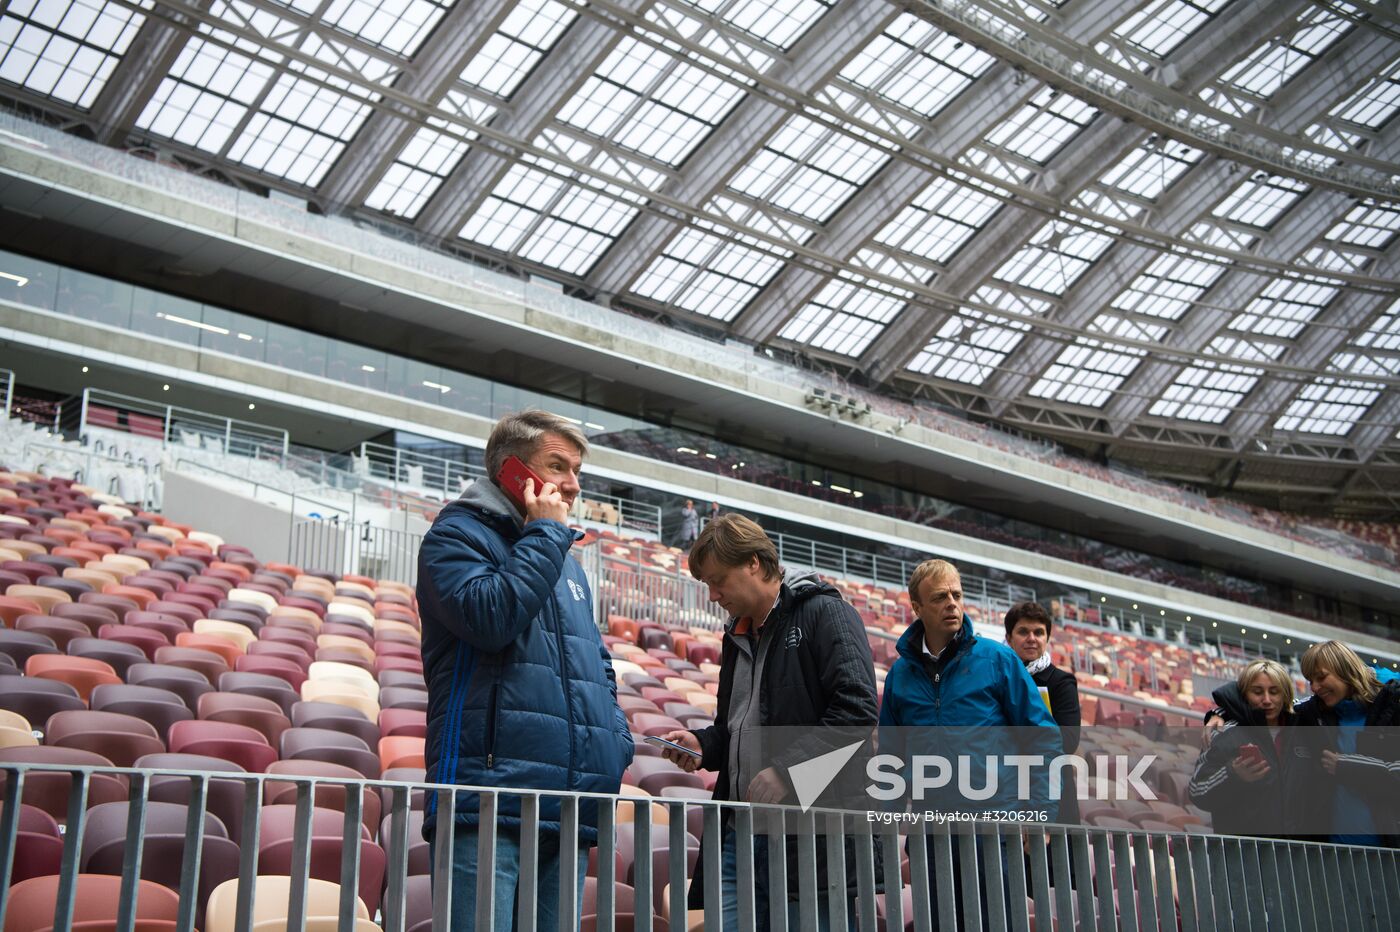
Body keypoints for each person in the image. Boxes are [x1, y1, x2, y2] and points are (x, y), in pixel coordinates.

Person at [417, 409, 633, 932]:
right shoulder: (455, 537)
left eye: (577, 471)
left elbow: (597, 664)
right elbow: (490, 618)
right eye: (557, 467)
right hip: (490, 797)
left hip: (569, 800)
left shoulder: (562, 557)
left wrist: (616, 739)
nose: (573, 484)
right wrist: (544, 536)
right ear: (512, 471)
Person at [654, 514, 879, 930]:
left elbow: (857, 711)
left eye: (718, 580)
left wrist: (788, 772)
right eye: (706, 584)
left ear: (755, 563)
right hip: (740, 829)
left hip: (810, 835)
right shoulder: (736, 636)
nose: (713, 594)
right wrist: (704, 745)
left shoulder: (826, 613)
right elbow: (735, 727)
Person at [880, 560, 1059, 930]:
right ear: (917, 606)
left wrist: (1040, 809)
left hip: (994, 826)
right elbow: (890, 756)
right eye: (940, 597)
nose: (952, 604)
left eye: (957, 595)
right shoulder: (900, 674)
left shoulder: (998, 659)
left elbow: (1042, 734)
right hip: (931, 831)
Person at [1295, 640, 1400, 846]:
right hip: (1338, 856)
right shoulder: (1317, 712)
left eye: (1321, 677)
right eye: (1310, 680)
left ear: (1346, 670)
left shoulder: (1394, 704)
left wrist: (1348, 766)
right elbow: (1270, 704)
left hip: (1390, 855)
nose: (1315, 687)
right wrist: (1220, 712)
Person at [1188, 659, 1299, 837]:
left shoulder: (1302, 729)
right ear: (1244, 695)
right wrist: (1232, 774)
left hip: (1298, 855)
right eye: (1257, 692)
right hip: (1244, 856)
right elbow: (1197, 790)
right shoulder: (1223, 733)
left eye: (1274, 691)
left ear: (1285, 694)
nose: (1267, 700)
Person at [1004, 601, 1080, 824]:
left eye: (1039, 632)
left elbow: (1068, 741)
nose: (1032, 638)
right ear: (1009, 638)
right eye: (1023, 632)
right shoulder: (998, 678)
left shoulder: (1062, 683)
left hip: (1053, 794)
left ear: (1047, 638)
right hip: (1005, 789)